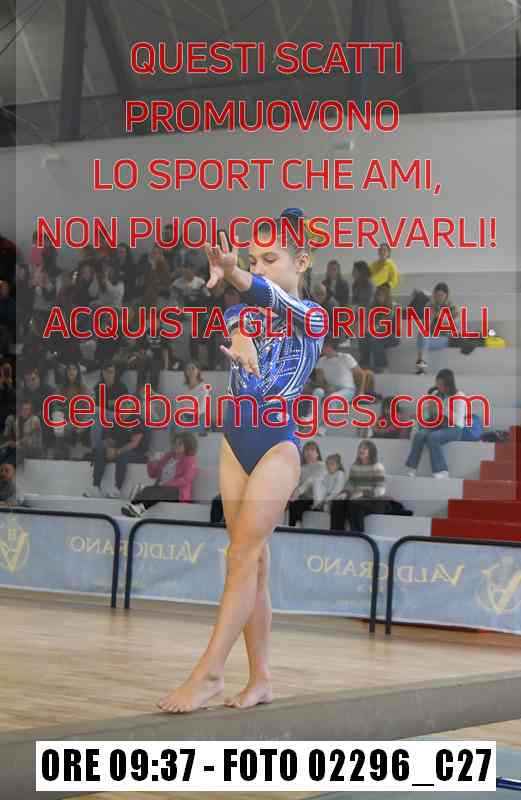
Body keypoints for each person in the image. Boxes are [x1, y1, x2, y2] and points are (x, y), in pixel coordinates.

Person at [157, 208, 326, 714]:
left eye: (270, 259)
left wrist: (234, 272)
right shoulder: (239, 314)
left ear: (301, 262)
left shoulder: (313, 317)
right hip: (235, 441)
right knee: (254, 563)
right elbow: (241, 322)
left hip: (276, 446)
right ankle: (261, 679)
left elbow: (269, 297)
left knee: (241, 557)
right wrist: (240, 335)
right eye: (254, 259)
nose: (260, 266)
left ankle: (209, 674)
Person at [405, 368, 466, 478]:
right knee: (419, 435)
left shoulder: (459, 396)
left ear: (448, 384)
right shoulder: (435, 394)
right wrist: (420, 416)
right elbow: (429, 414)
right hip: (437, 425)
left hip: (454, 428)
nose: (438, 386)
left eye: (440, 384)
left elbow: (457, 418)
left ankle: (442, 470)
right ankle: (412, 467)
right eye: (437, 383)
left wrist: (440, 409)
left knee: (433, 437)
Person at [122, 431, 198, 517]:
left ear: (188, 446)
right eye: (175, 443)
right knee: (147, 489)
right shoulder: (168, 456)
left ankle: (140, 509)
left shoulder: (190, 460)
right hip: (161, 488)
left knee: (159, 492)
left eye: (180, 444)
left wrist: (167, 484)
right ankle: (131, 507)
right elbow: (153, 474)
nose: (176, 445)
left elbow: (186, 479)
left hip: (178, 493)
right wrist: (150, 461)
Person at [84, 397, 149, 498]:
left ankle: (117, 489)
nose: (124, 409)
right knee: (101, 451)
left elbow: (134, 443)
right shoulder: (117, 420)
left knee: (123, 455)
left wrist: (117, 451)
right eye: (122, 406)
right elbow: (112, 440)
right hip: (120, 449)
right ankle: (96, 487)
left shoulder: (137, 420)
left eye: (127, 406)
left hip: (137, 452)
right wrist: (107, 447)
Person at [312, 338, 375, 432]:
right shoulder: (321, 361)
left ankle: (323, 427)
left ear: (329, 347)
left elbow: (360, 374)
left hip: (348, 390)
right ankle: (311, 418)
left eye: (322, 346)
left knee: (333, 398)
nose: (320, 348)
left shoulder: (346, 357)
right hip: (331, 389)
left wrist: (360, 391)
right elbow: (319, 381)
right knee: (317, 391)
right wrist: (327, 387)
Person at [329, 440, 386, 532]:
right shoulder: (354, 466)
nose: (361, 450)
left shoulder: (377, 466)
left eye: (364, 448)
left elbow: (380, 490)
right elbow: (350, 483)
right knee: (337, 503)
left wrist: (363, 493)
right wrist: (345, 493)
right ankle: (336, 533)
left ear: (371, 451)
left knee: (354, 505)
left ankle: (358, 535)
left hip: (374, 502)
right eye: (360, 448)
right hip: (356, 499)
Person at [415, 282, 457, 374]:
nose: (439, 298)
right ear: (434, 295)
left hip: (444, 339)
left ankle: (420, 368)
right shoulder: (429, 306)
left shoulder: (452, 308)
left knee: (423, 340)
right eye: (437, 295)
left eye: (442, 295)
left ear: (446, 296)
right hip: (430, 338)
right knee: (422, 336)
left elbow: (452, 331)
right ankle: (421, 368)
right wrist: (432, 315)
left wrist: (441, 317)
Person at [358, 283, 399, 372]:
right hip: (375, 332)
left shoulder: (393, 306)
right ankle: (364, 362)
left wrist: (373, 329)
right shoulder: (372, 305)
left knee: (375, 339)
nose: (380, 297)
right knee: (363, 336)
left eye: (383, 295)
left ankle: (381, 365)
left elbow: (386, 324)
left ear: (387, 296)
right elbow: (366, 320)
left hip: (391, 335)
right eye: (379, 294)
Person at [287, 441, 325, 526]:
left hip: (315, 498)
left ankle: (297, 525)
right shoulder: (301, 468)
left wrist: (299, 491)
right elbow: (296, 483)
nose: (309, 452)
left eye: (312, 450)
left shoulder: (321, 466)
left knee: (297, 503)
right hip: (303, 497)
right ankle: (293, 527)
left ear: (317, 454)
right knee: (293, 502)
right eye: (306, 450)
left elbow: (311, 480)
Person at [1, 398, 43, 465]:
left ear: (31, 411)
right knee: (4, 452)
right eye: (22, 409)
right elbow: (6, 436)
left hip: (32, 448)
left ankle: (9, 465)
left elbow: (30, 439)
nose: (24, 411)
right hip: (16, 447)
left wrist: (16, 443)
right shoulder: (14, 419)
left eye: (27, 409)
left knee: (15, 454)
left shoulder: (35, 420)